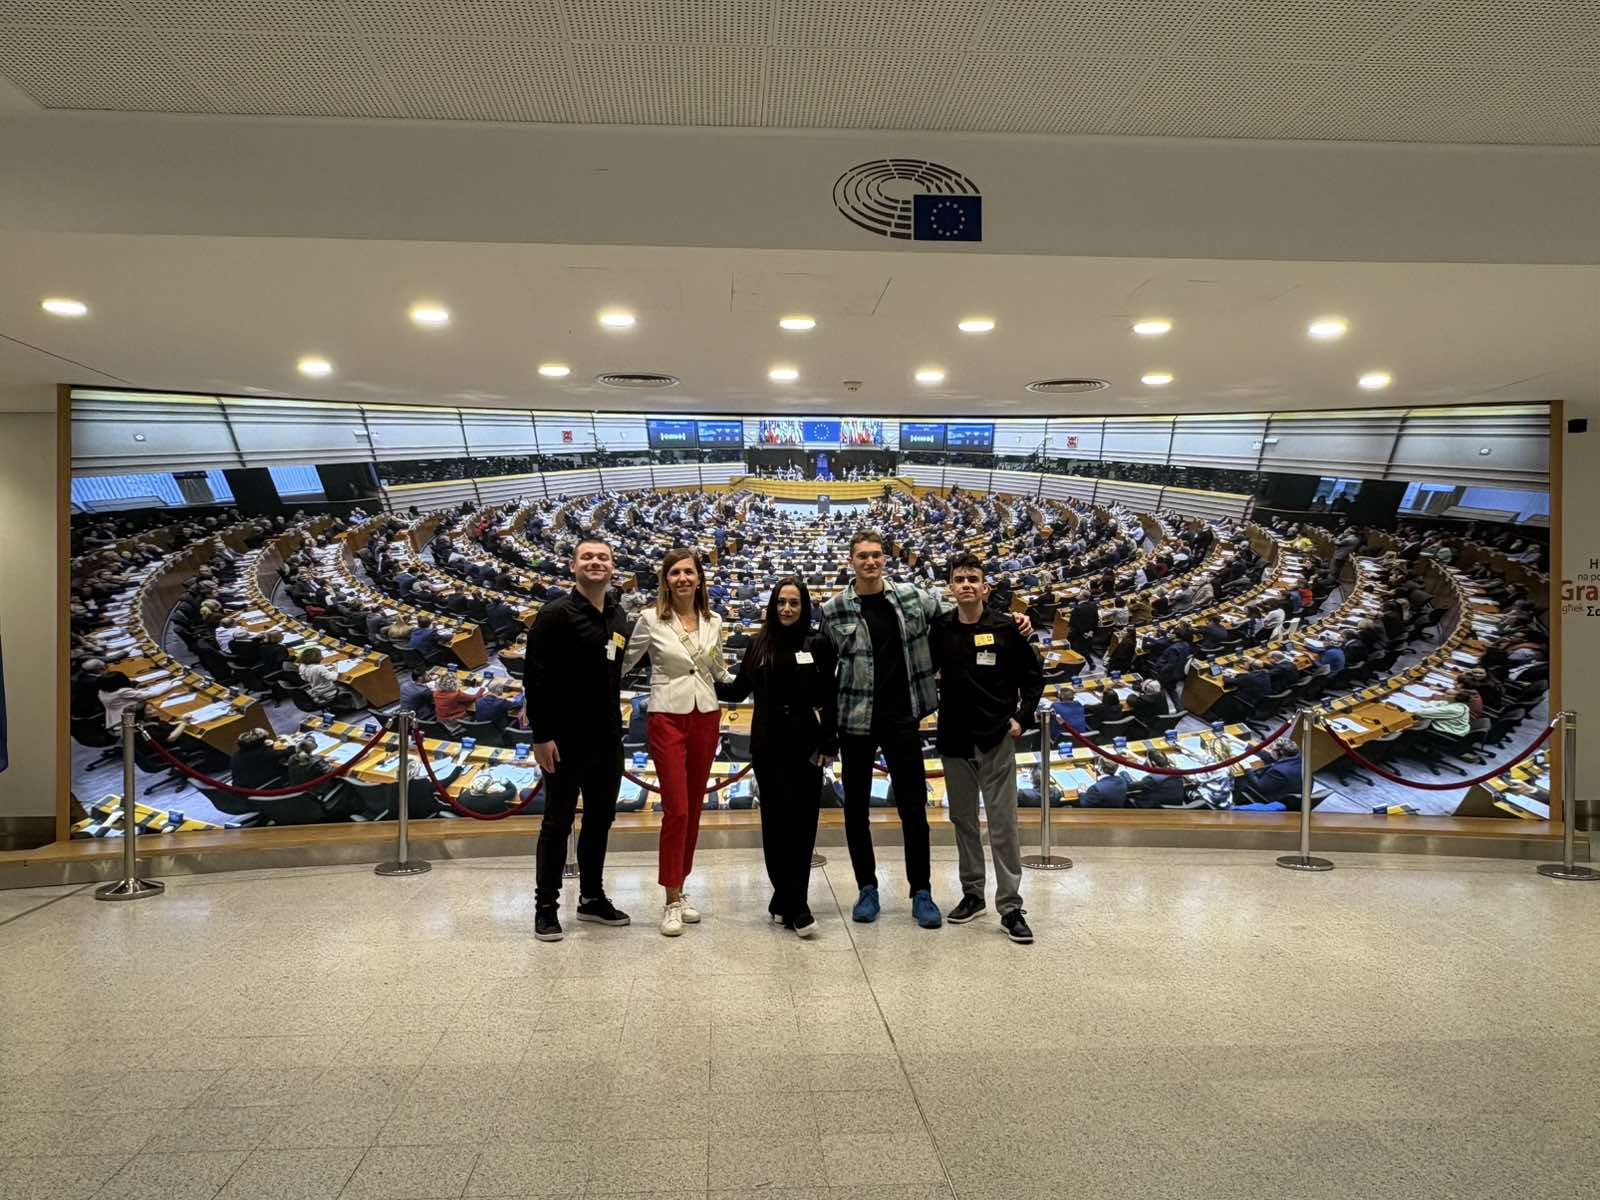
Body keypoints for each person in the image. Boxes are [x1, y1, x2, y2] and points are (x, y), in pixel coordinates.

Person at [818, 531, 1029, 928]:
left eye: (876, 555)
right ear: (851, 561)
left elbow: (963, 613)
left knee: (914, 810)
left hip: (903, 716)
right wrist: (827, 730)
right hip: (855, 721)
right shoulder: (834, 610)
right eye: (862, 556)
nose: (870, 562)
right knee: (856, 812)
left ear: (884, 558)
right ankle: (867, 889)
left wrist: (1009, 618)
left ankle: (921, 891)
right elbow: (826, 674)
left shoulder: (912, 597)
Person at [521, 536, 633, 942]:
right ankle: (546, 907)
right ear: (573, 566)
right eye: (587, 557)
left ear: (612, 566)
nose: (595, 562)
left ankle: (591, 897)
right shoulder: (554, 614)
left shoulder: (618, 615)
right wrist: (542, 735)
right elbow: (534, 676)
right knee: (557, 822)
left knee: (600, 820)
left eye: (603, 557)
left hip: (607, 736)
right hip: (564, 739)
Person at [929, 553, 1043, 944]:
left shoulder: (1007, 627)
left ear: (985, 587)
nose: (966, 584)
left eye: (973, 579)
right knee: (963, 821)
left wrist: (1022, 718)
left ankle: (1010, 906)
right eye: (959, 579)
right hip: (954, 738)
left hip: (995, 738)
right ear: (950, 587)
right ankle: (973, 894)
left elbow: (1033, 679)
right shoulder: (940, 628)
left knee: (1002, 824)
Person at [622, 547, 735, 936]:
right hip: (667, 717)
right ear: (666, 580)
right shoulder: (650, 619)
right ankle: (670, 899)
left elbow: (718, 670)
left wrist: (762, 675)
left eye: (689, 572)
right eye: (675, 573)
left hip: (706, 715)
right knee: (677, 810)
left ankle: (680, 888)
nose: (683, 578)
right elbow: (622, 663)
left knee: (694, 810)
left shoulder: (714, 620)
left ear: (699, 578)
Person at [716, 578, 837, 938]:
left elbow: (829, 697)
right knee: (775, 826)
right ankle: (790, 901)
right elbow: (739, 690)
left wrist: (829, 743)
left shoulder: (817, 643)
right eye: (781, 602)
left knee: (803, 826)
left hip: (806, 745)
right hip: (768, 746)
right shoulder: (758, 644)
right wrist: (702, 674)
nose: (787, 608)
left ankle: (792, 902)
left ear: (804, 607)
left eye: (794, 603)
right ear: (772, 605)